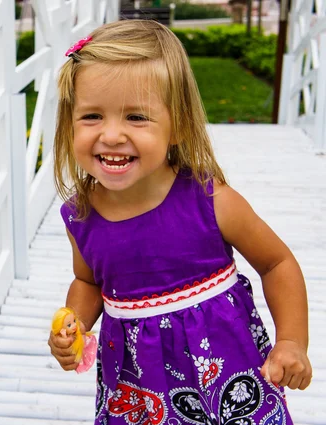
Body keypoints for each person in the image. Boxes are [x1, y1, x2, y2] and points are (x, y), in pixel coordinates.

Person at [47, 19, 312, 424]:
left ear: (178, 125)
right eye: (91, 117)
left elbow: (277, 264)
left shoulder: (211, 201)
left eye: (136, 117)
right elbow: (89, 282)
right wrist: (75, 324)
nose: (112, 134)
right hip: (138, 387)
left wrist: (291, 341)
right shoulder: (81, 216)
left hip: (228, 371)